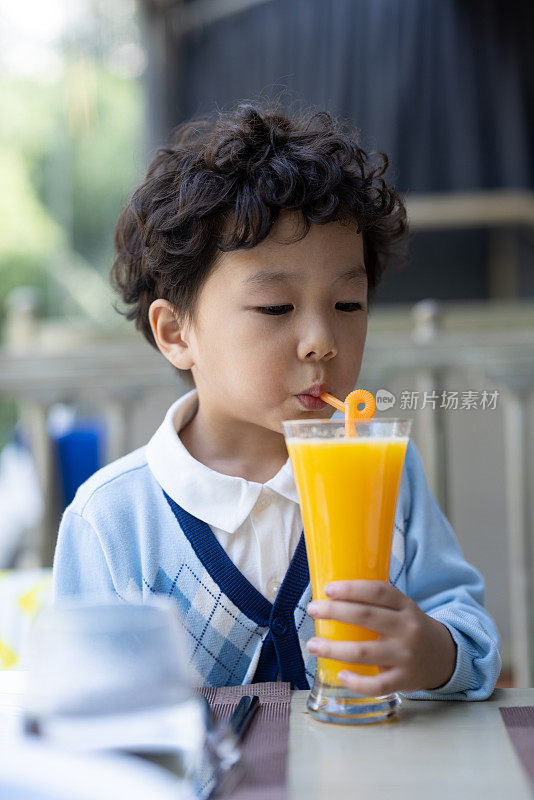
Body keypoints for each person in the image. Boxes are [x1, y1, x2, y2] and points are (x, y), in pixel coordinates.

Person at [53, 103, 501, 698]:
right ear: (176, 333)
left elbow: (472, 638)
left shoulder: (384, 470)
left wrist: (435, 653)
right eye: (275, 308)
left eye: (348, 305)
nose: (321, 343)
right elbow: (84, 713)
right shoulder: (114, 518)